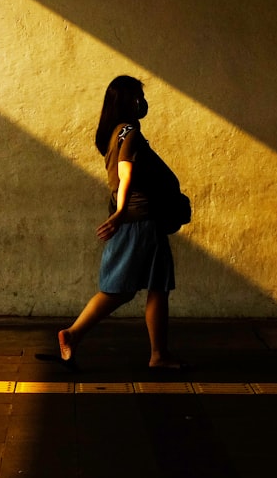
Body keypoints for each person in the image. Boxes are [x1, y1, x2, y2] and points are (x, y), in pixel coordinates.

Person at [55, 75, 184, 370]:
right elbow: (126, 175)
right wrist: (121, 213)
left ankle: (155, 353)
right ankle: (77, 335)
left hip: (136, 219)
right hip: (140, 220)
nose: (143, 102)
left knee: (143, 287)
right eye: (139, 96)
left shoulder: (115, 133)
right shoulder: (130, 134)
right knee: (134, 288)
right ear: (129, 101)